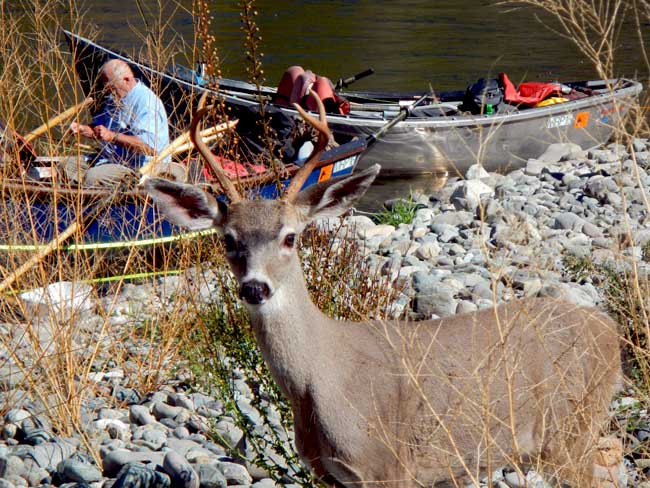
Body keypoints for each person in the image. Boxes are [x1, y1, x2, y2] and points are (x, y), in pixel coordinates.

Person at [68, 59, 170, 186]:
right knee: (68, 166)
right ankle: (75, 199)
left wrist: (113, 136)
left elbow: (149, 147)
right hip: (110, 159)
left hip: (138, 167)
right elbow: (101, 130)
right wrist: (83, 129)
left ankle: (96, 199)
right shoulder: (115, 97)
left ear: (126, 80)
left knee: (93, 177)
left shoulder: (146, 102)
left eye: (111, 86)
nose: (108, 91)